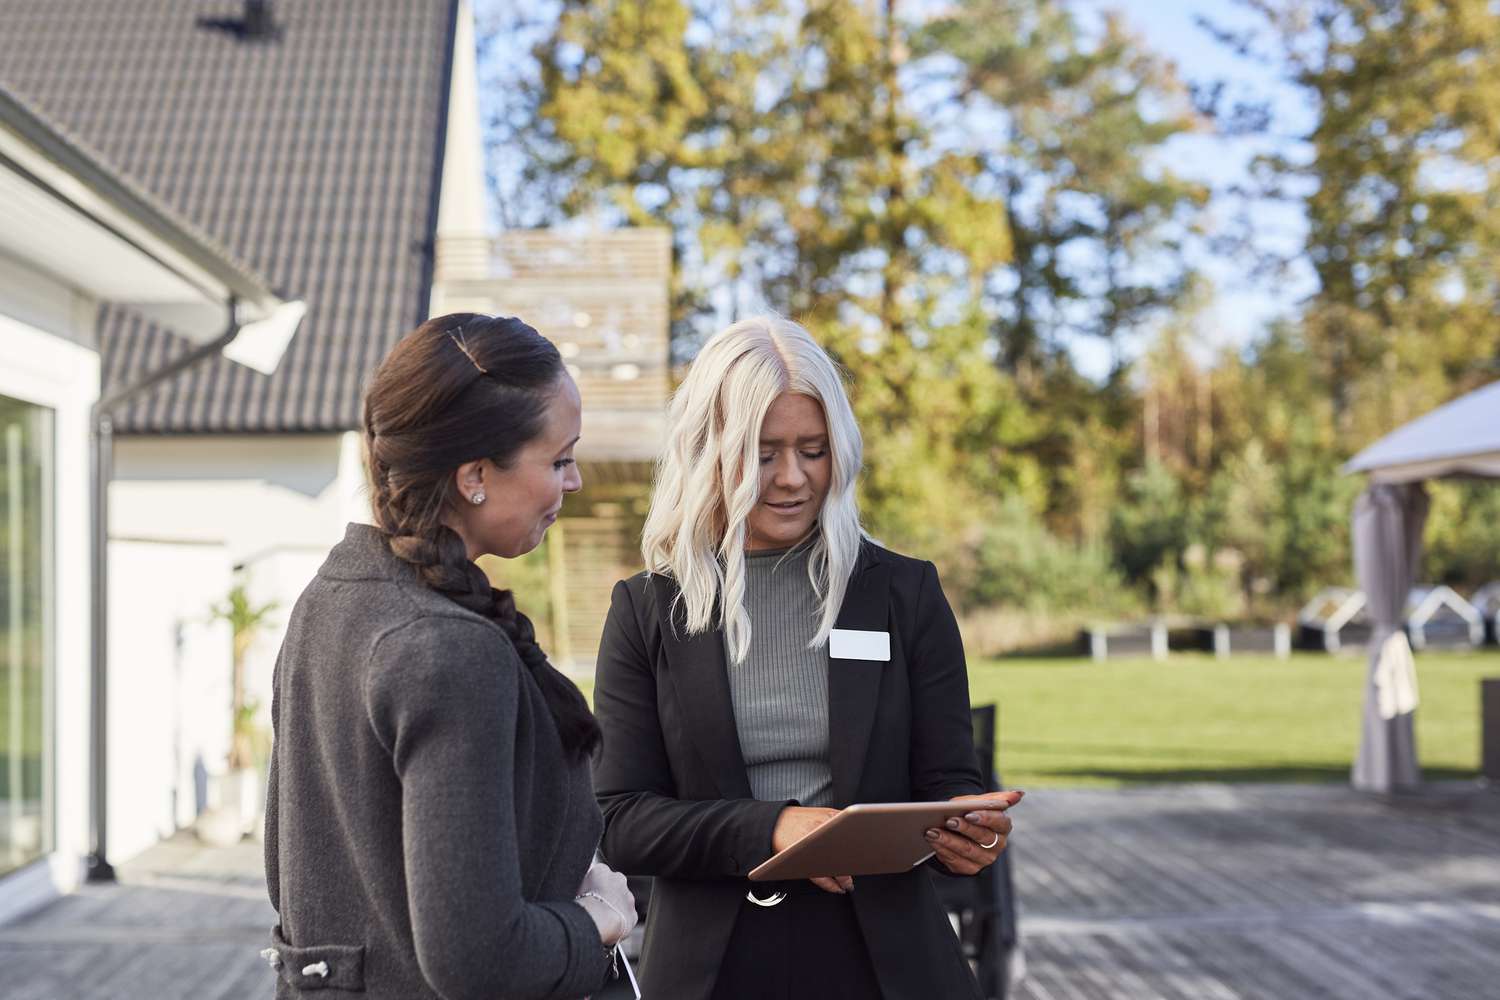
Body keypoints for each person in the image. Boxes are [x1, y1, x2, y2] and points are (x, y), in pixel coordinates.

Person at [591, 315, 1020, 1000]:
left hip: (891, 968)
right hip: (714, 972)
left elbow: (947, 784)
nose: (792, 478)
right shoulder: (649, 609)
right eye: (763, 453)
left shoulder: (903, 594)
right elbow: (620, 822)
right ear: (710, 451)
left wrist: (972, 835)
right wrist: (773, 828)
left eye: (813, 450)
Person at [261, 314, 637, 1000]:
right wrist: (595, 924)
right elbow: (478, 959)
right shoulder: (446, 649)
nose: (574, 481)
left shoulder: (329, 599)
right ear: (473, 477)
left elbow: (289, 871)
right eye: (558, 460)